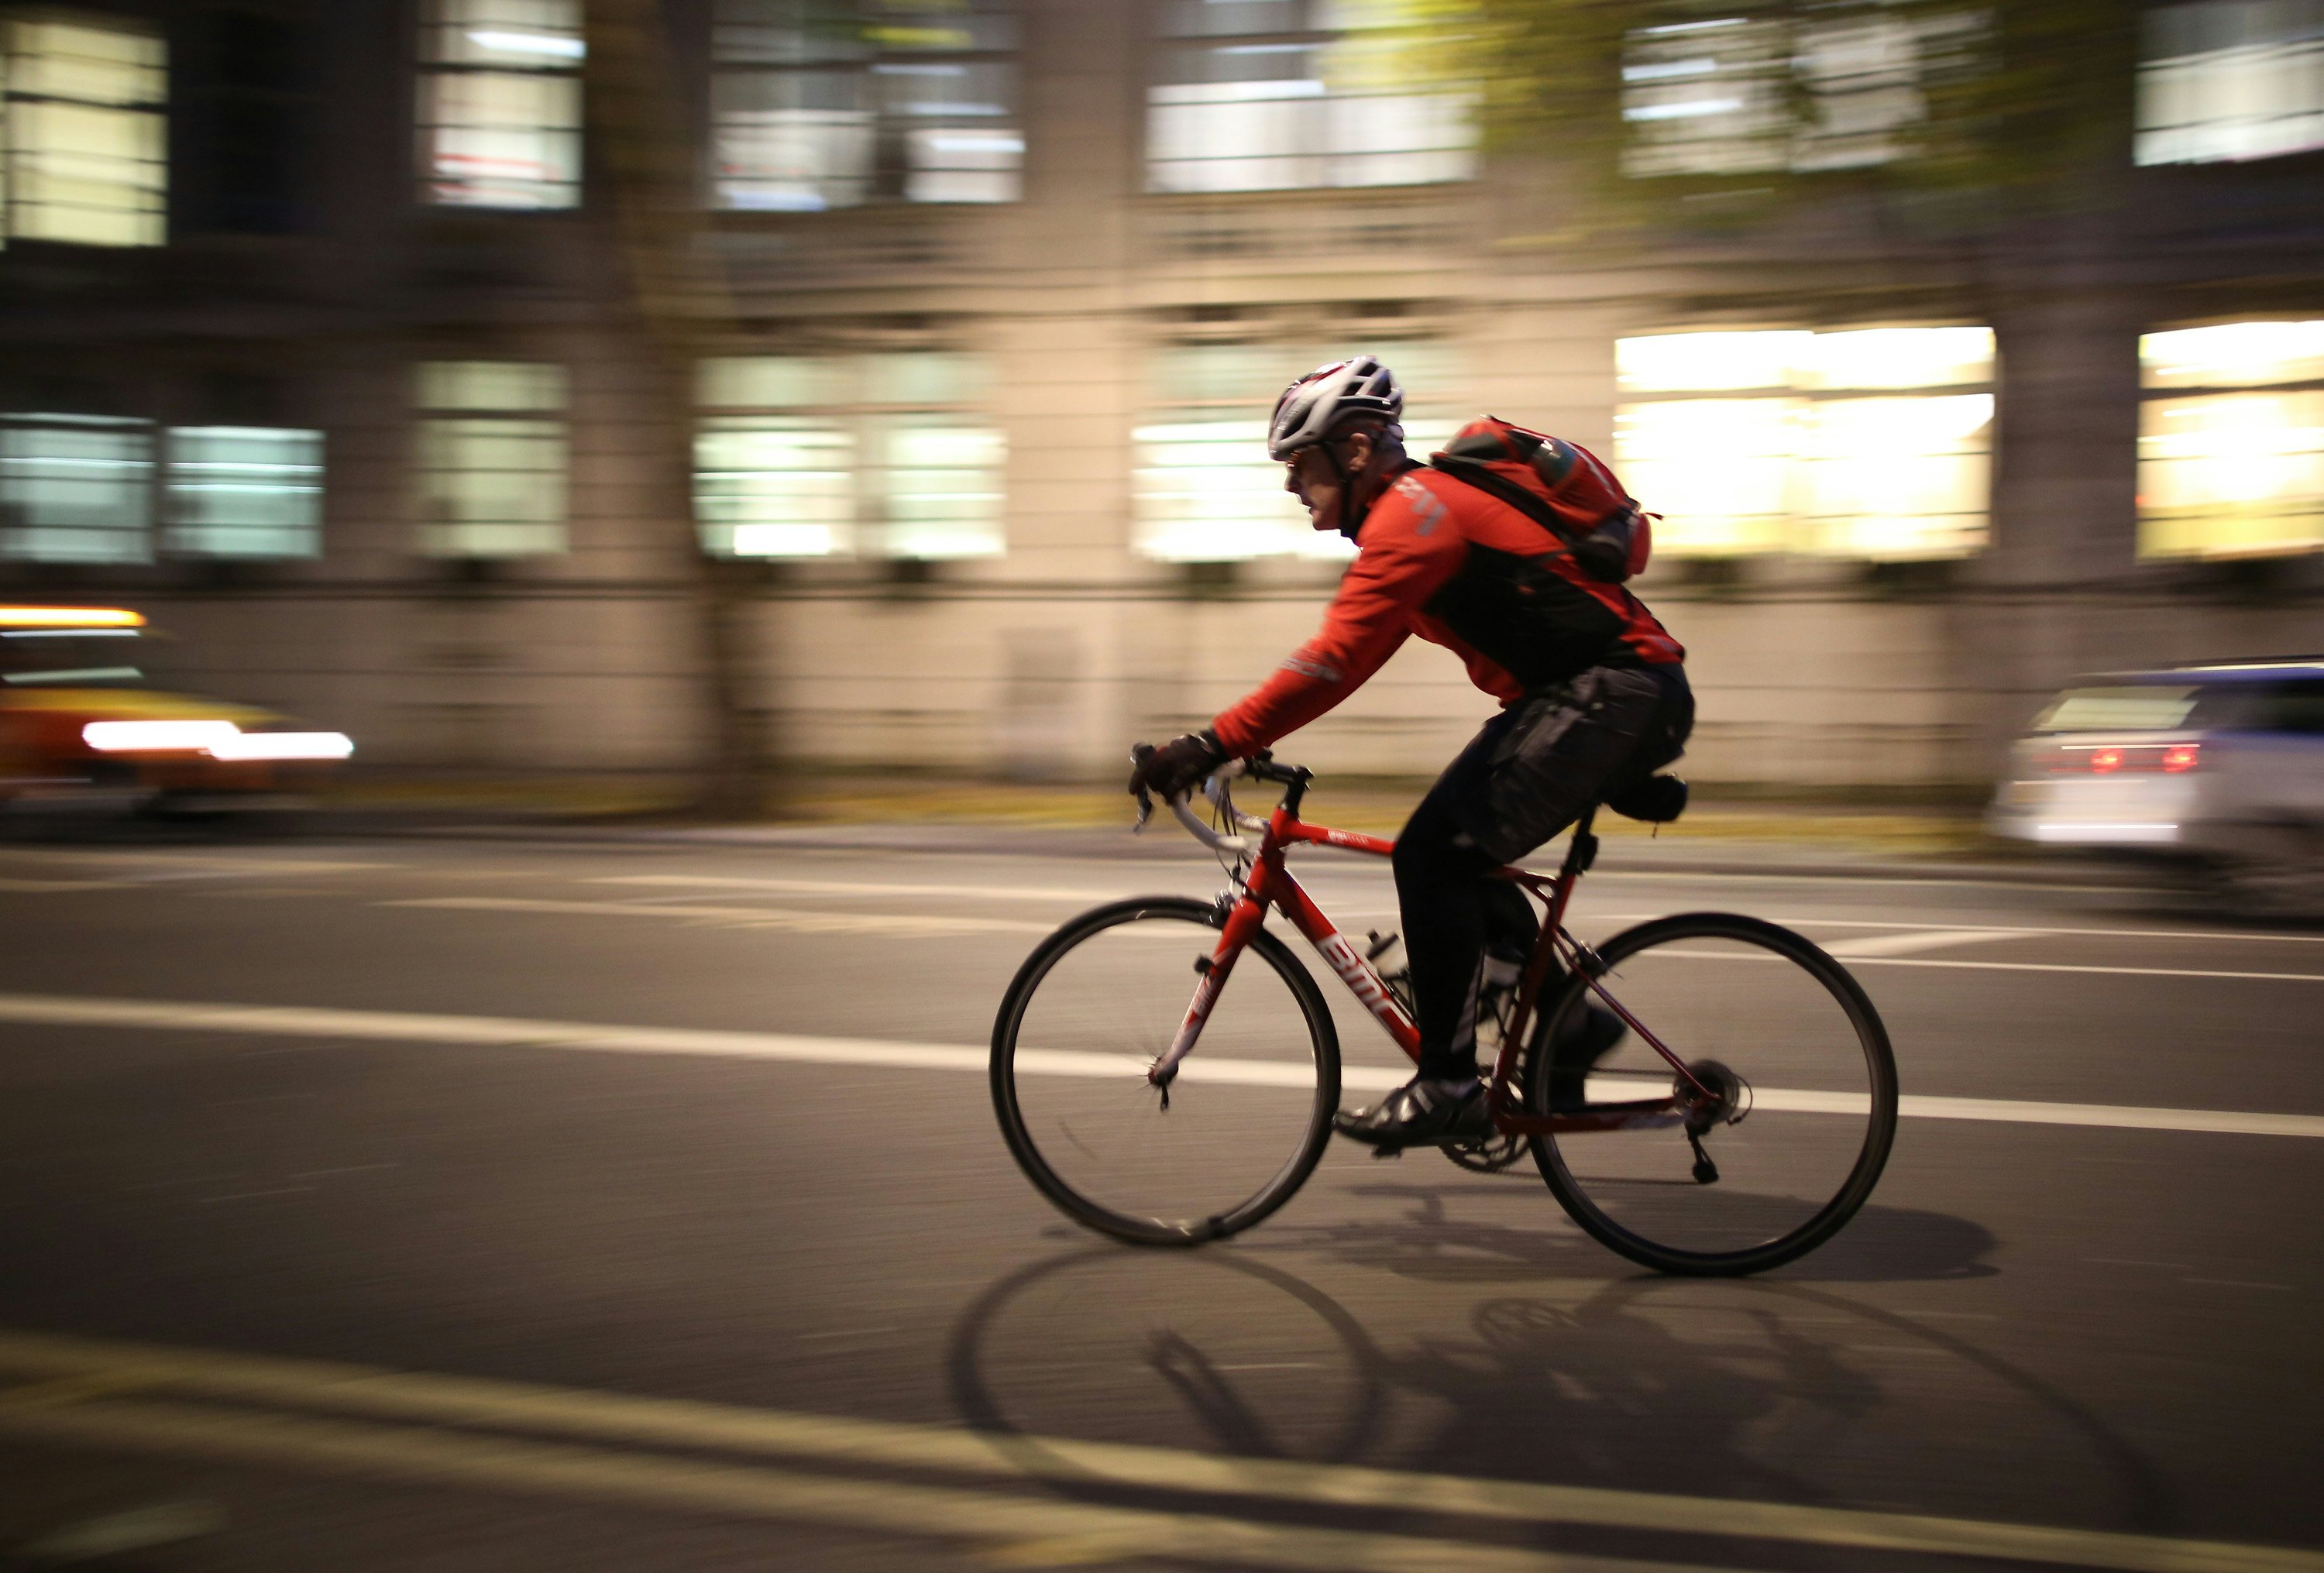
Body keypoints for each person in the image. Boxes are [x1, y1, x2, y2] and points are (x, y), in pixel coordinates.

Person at [1126, 356, 1694, 1149]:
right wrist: (1236, 740)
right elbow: (1342, 668)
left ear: (1356, 450)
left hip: (1615, 694)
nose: (1293, 485)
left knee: (1433, 855)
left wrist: (1210, 742)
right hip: (1599, 700)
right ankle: (1566, 1026)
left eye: (1301, 462)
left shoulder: (1416, 515)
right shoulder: (1418, 523)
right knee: (1459, 843)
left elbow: (1331, 660)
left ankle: (1449, 1086)